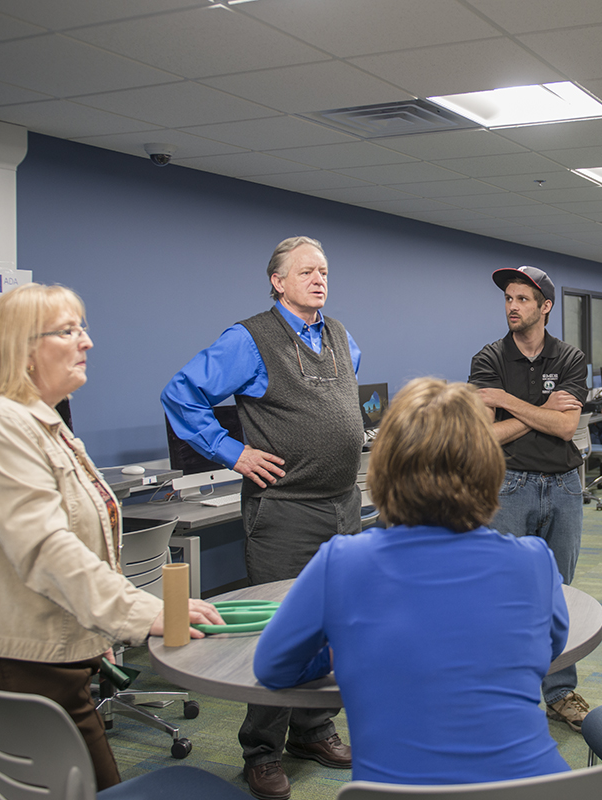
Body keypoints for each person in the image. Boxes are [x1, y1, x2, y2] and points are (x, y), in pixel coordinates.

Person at [0, 283, 222, 790]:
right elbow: (46, 547)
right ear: (20, 349)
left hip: (48, 651)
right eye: (68, 330)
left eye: (83, 328)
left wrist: (98, 628)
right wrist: (139, 612)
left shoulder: (45, 423)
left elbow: (81, 540)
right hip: (12, 658)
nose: (86, 342)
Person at [254, 378, 571, 785]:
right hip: (538, 792)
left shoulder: (343, 562)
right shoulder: (534, 561)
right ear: (489, 466)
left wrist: (340, 649)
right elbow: (549, 648)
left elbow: (274, 667)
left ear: (385, 468)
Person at [161, 236, 362, 800]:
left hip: (343, 502)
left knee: (336, 621)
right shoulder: (248, 339)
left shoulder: (340, 335)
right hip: (286, 509)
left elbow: (340, 403)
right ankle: (262, 751)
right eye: (305, 271)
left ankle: (313, 729)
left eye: (323, 270)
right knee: (282, 627)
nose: (319, 279)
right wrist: (233, 453)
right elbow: (181, 394)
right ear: (277, 281)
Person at [468, 265, 591, 733]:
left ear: (545, 307)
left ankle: (559, 692)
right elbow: (483, 433)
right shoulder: (488, 359)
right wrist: (540, 411)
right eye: (508, 299)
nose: (513, 306)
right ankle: (505, 693)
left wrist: (507, 402)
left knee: (559, 593)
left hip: (563, 487)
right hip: (508, 486)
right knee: (504, 593)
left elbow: (565, 428)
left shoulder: (570, 358)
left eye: (523, 299)